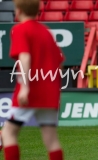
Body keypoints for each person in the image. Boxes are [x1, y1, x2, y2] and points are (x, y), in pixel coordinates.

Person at [1, 0, 64, 159]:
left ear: (19, 10)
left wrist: (25, 86)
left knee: (8, 133)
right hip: (49, 92)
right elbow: (59, 63)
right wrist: (56, 92)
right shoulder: (46, 31)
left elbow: (24, 56)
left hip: (32, 91)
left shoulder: (20, 29)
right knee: (51, 138)